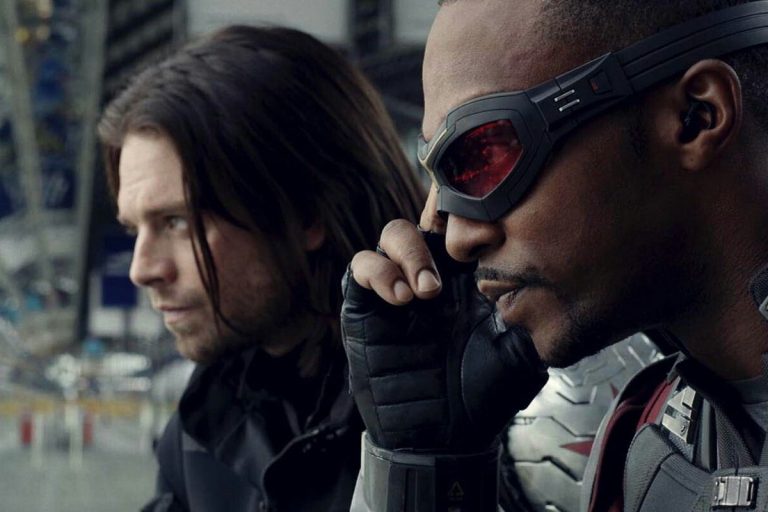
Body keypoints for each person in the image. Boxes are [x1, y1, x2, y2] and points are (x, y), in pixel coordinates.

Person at [341, 0, 768, 510]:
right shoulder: (644, 440)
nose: (456, 240)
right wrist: (428, 465)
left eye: (485, 156)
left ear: (696, 117)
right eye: (441, 179)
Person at [97, 25, 424, 512]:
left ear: (305, 213)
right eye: (134, 229)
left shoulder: (470, 409)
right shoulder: (201, 429)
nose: (142, 269)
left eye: (177, 222)